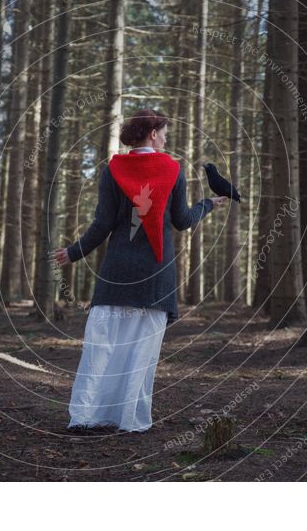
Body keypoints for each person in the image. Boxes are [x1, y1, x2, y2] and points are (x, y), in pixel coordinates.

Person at [50, 108, 228, 434]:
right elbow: (182, 221)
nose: (166, 138)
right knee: (140, 354)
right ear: (152, 134)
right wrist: (207, 205)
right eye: (164, 133)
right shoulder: (172, 170)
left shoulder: (113, 169)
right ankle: (128, 420)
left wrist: (73, 252)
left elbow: (102, 224)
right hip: (154, 277)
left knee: (101, 347)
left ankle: (86, 416)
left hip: (116, 273)